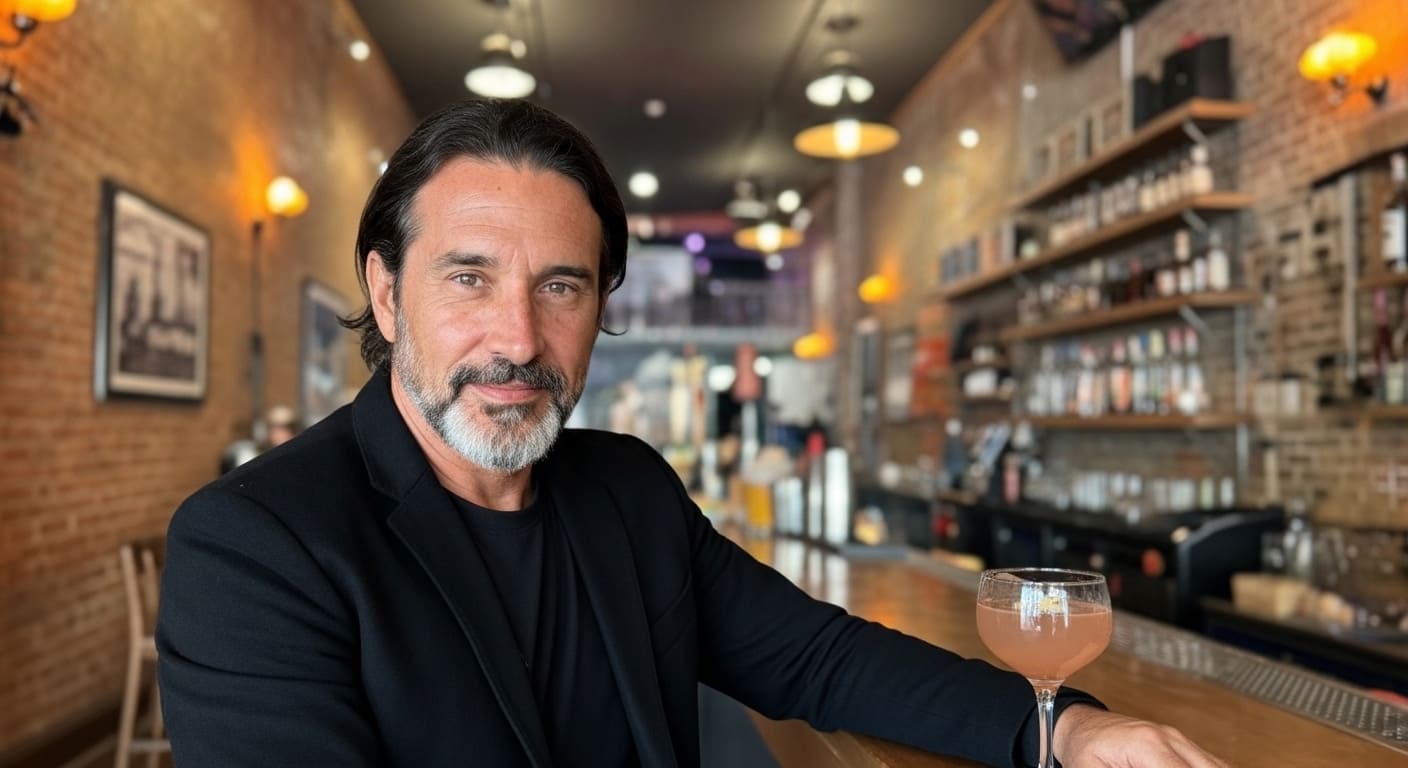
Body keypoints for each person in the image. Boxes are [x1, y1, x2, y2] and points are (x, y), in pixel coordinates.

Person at [157, 98, 1228, 768]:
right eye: (469, 279)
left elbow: (818, 658)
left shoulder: (624, 490)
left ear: (600, 307)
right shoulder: (255, 544)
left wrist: (1063, 730)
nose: (517, 338)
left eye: (561, 286)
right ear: (386, 297)